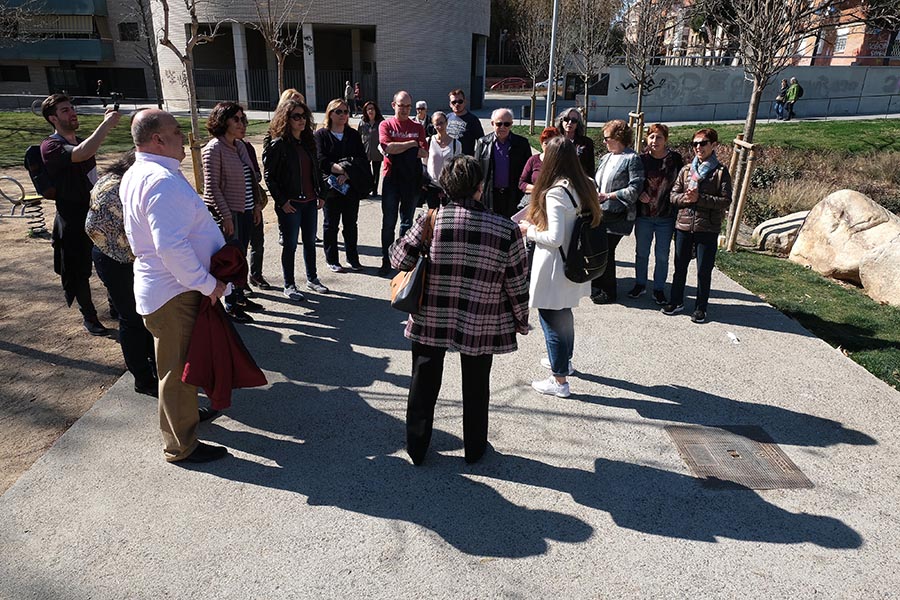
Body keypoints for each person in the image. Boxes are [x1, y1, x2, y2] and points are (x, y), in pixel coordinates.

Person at [389, 154, 529, 465]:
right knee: (477, 386)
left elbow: (399, 260)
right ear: (481, 186)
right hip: (480, 317)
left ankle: (417, 448)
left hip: (431, 314)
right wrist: (521, 319)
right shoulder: (506, 230)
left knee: (423, 381)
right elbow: (517, 283)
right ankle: (475, 449)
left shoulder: (432, 219)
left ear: (447, 187)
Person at [120, 108, 229, 463]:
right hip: (175, 291)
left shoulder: (144, 172)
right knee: (177, 370)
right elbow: (170, 246)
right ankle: (181, 445)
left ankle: (186, 420)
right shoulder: (160, 181)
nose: (184, 137)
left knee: (182, 365)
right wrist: (207, 283)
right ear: (158, 139)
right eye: (177, 132)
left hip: (169, 288)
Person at [518, 137, 601, 398]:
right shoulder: (585, 185)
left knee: (551, 320)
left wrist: (529, 230)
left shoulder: (555, 191)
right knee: (564, 315)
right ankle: (565, 362)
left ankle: (559, 380)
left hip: (555, 265)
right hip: (574, 263)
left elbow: (553, 237)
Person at [40, 93, 120, 335]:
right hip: (72, 218)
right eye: (65, 110)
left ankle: (115, 306)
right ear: (53, 118)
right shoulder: (50, 146)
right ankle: (90, 317)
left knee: (111, 259)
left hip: (96, 214)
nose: (72, 113)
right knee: (79, 271)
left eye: (71, 108)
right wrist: (106, 123)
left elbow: (90, 165)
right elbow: (81, 154)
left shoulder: (82, 140)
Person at [85, 149, 157, 397]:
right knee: (132, 318)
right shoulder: (118, 188)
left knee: (142, 315)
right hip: (115, 259)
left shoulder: (121, 179)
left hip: (121, 256)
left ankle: (153, 365)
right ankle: (143, 379)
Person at [201, 101, 264, 323]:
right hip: (230, 214)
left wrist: (255, 205)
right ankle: (230, 305)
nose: (242, 123)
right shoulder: (214, 148)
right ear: (222, 120)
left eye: (243, 119)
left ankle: (239, 296)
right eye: (236, 119)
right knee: (229, 260)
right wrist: (226, 216)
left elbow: (251, 179)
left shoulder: (239, 146)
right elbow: (212, 188)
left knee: (241, 256)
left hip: (246, 210)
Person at [663, 128, 732, 324]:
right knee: (680, 267)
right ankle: (676, 301)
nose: (698, 147)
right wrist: (685, 198)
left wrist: (699, 199)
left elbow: (725, 200)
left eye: (703, 143)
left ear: (713, 145)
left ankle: (701, 308)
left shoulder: (720, 172)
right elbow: (672, 195)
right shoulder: (686, 170)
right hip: (684, 226)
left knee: (704, 270)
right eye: (695, 144)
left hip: (707, 228)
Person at [263, 99, 328, 300]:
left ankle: (312, 279)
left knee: (310, 242)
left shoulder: (308, 141)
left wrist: (321, 193)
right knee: (290, 245)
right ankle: (289, 284)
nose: (301, 121)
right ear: (286, 119)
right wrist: (282, 201)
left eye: (303, 116)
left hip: (309, 202)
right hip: (290, 205)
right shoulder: (279, 144)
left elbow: (316, 170)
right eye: (296, 117)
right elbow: (269, 176)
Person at [591, 119, 644, 305]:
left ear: (618, 137)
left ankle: (609, 292)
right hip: (600, 213)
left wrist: (609, 196)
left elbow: (635, 189)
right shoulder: (606, 157)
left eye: (607, 138)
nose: (604, 142)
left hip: (618, 215)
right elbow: (597, 182)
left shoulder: (632, 158)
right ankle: (596, 286)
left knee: (607, 250)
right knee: (598, 249)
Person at [629, 123, 684, 305]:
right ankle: (640, 284)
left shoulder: (675, 160)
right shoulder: (640, 159)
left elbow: (681, 183)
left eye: (659, 137)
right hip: (644, 215)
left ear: (666, 139)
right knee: (641, 252)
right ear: (646, 138)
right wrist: (639, 194)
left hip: (665, 216)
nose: (655, 141)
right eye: (651, 137)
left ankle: (659, 288)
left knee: (662, 254)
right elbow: (633, 182)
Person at [314, 98, 368, 273]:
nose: (343, 115)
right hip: (331, 187)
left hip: (350, 186)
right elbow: (320, 159)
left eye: (346, 111)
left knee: (351, 224)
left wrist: (346, 173)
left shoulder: (353, 134)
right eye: (339, 111)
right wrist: (340, 170)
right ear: (330, 113)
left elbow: (361, 158)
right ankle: (332, 259)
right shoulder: (321, 135)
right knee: (331, 225)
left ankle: (352, 258)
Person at [377, 90, 427, 276]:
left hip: (411, 180)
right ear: (393, 105)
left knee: (406, 224)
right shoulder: (386, 124)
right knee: (388, 223)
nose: (405, 109)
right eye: (401, 105)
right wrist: (411, 144)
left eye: (408, 106)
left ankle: (401, 261)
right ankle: (385, 260)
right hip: (391, 179)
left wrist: (401, 146)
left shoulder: (418, 126)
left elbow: (424, 152)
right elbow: (387, 147)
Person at [473, 107, 532, 218]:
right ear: (492, 123)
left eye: (507, 124)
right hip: (490, 195)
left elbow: (528, 171)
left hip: (513, 195)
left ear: (511, 124)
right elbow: (477, 170)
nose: (503, 127)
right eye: (499, 124)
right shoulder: (483, 142)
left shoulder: (522, 143)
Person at [422, 110, 462, 208]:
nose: (439, 127)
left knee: (448, 216)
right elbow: (424, 163)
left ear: (447, 122)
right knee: (432, 216)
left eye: (441, 123)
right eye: (436, 124)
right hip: (432, 185)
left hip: (449, 186)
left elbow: (457, 166)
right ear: (433, 125)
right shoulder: (428, 141)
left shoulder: (456, 144)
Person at [518, 126, 561, 202]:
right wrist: (538, 189)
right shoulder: (533, 160)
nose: (548, 147)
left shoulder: (562, 162)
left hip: (556, 201)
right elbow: (522, 183)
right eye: (546, 143)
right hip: (534, 201)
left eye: (552, 144)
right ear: (541, 144)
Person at [556, 108, 595, 175]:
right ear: (561, 121)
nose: (570, 123)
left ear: (578, 123)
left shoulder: (586, 143)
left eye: (574, 120)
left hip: (579, 181)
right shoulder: (554, 141)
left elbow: (590, 168)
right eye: (566, 119)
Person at [446, 88, 484, 155]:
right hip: (448, 159)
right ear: (450, 104)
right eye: (454, 102)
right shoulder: (447, 117)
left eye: (460, 101)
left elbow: (481, 142)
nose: (457, 104)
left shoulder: (473, 120)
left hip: (465, 160)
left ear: (465, 102)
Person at [358, 101, 385, 197]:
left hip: (377, 152)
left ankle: (374, 190)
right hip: (365, 151)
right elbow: (358, 136)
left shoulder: (381, 122)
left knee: (376, 173)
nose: (370, 111)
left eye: (372, 109)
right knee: (365, 172)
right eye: (368, 109)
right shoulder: (362, 122)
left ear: (376, 110)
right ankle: (366, 189)